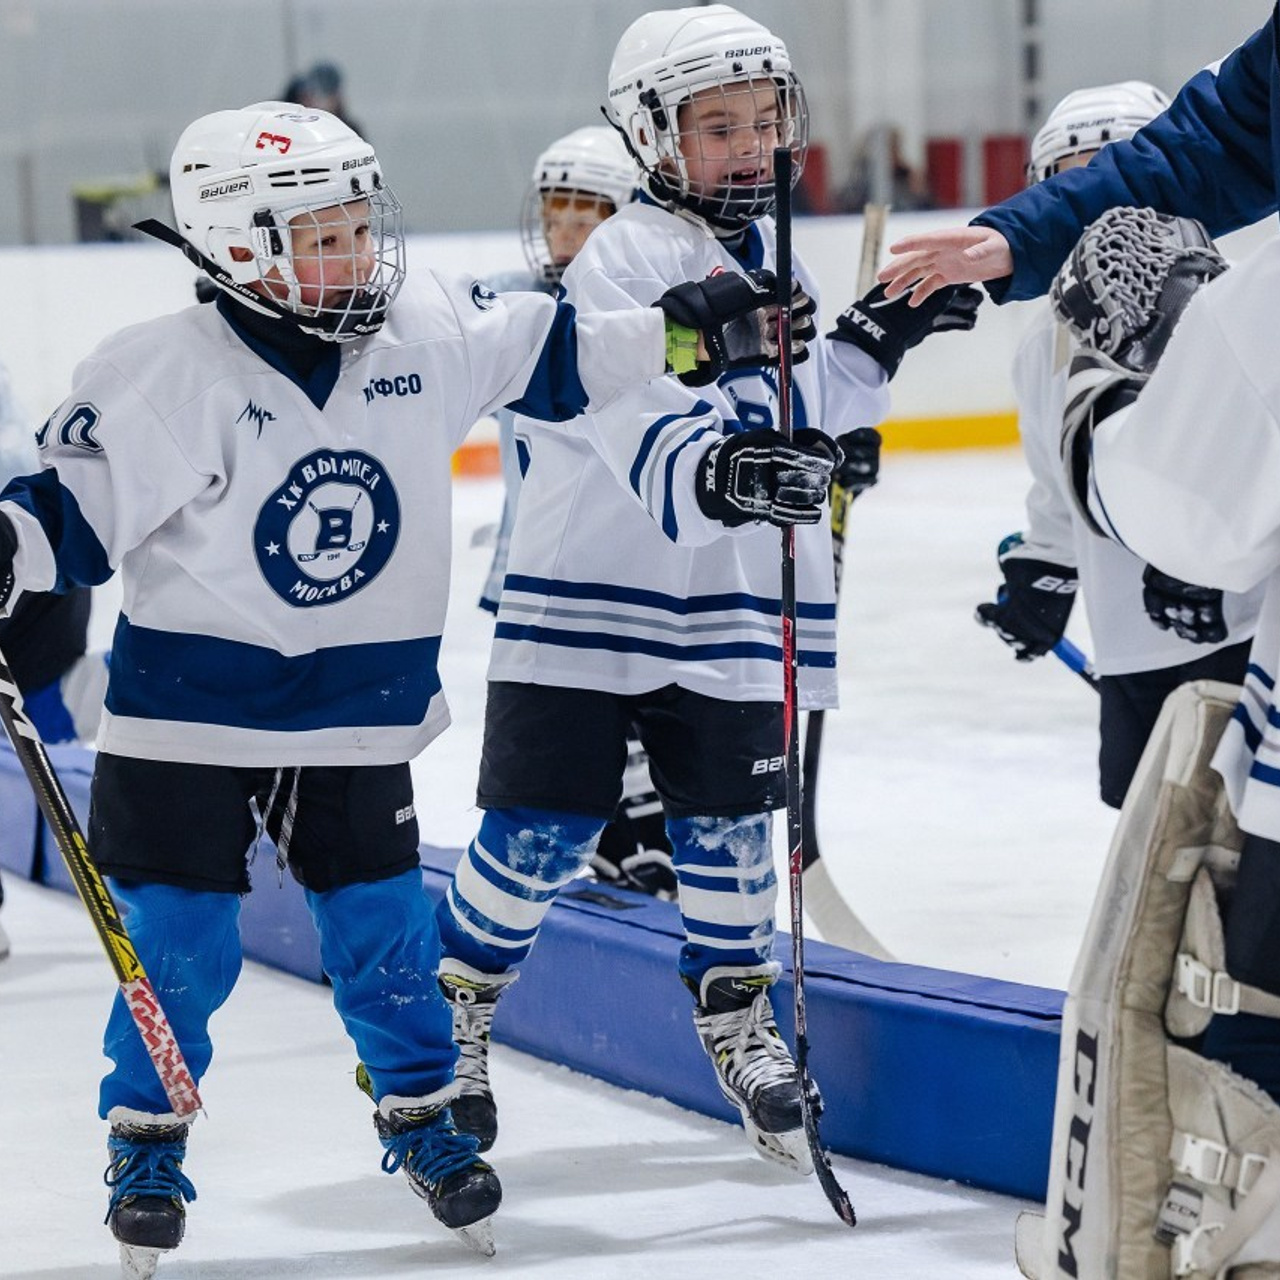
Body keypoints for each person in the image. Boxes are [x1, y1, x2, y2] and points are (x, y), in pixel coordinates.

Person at [0, 100, 792, 1269]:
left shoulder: (422, 330)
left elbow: (562, 353)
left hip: (356, 716)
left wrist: (691, 334)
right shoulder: (163, 372)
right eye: (320, 238)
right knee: (175, 942)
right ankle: (149, 1133)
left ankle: (420, 1111)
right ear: (236, 244)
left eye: (361, 226)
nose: (356, 255)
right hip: (188, 719)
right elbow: (70, 519)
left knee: (382, 933)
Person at [432, 3, 979, 1176]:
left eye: (764, 119)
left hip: (727, 606)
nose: (749, 144)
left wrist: (878, 339)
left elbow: (787, 409)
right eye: (716, 124)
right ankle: (459, 1013)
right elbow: (636, 418)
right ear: (650, 135)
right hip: (586, 605)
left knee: (729, 830)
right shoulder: (623, 254)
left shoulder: (766, 248)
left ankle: (733, 1015)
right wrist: (727, 468)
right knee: (536, 829)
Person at [972, 80, 1263, 810]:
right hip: (1134, 639)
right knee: (1154, 835)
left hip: (1248, 627)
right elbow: (1060, 471)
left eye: (1118, 180)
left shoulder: (1226, 314)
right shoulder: (1045, 337)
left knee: (1246, 834)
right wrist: (1048, 565)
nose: (1106, 221)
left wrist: (1208, 563)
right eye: (1080, 187)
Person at [0, 356, 109, 962]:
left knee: (44, 706)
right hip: (34, 535)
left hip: (24, 543)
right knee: (45, 704)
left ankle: (187, 672)